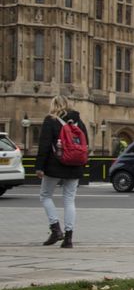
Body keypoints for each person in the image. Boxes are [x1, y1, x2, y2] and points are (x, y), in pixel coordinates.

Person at [35, 95, 88, 248]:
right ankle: (68, 238)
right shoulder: (79, 121)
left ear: (54, 105)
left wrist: (39, 167)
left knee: (45, 195)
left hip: (54, 165)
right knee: (69, 200)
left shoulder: (50, 120)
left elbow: (44, 145)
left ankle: (55, 229)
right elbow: (86, 145)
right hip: (75, 165)